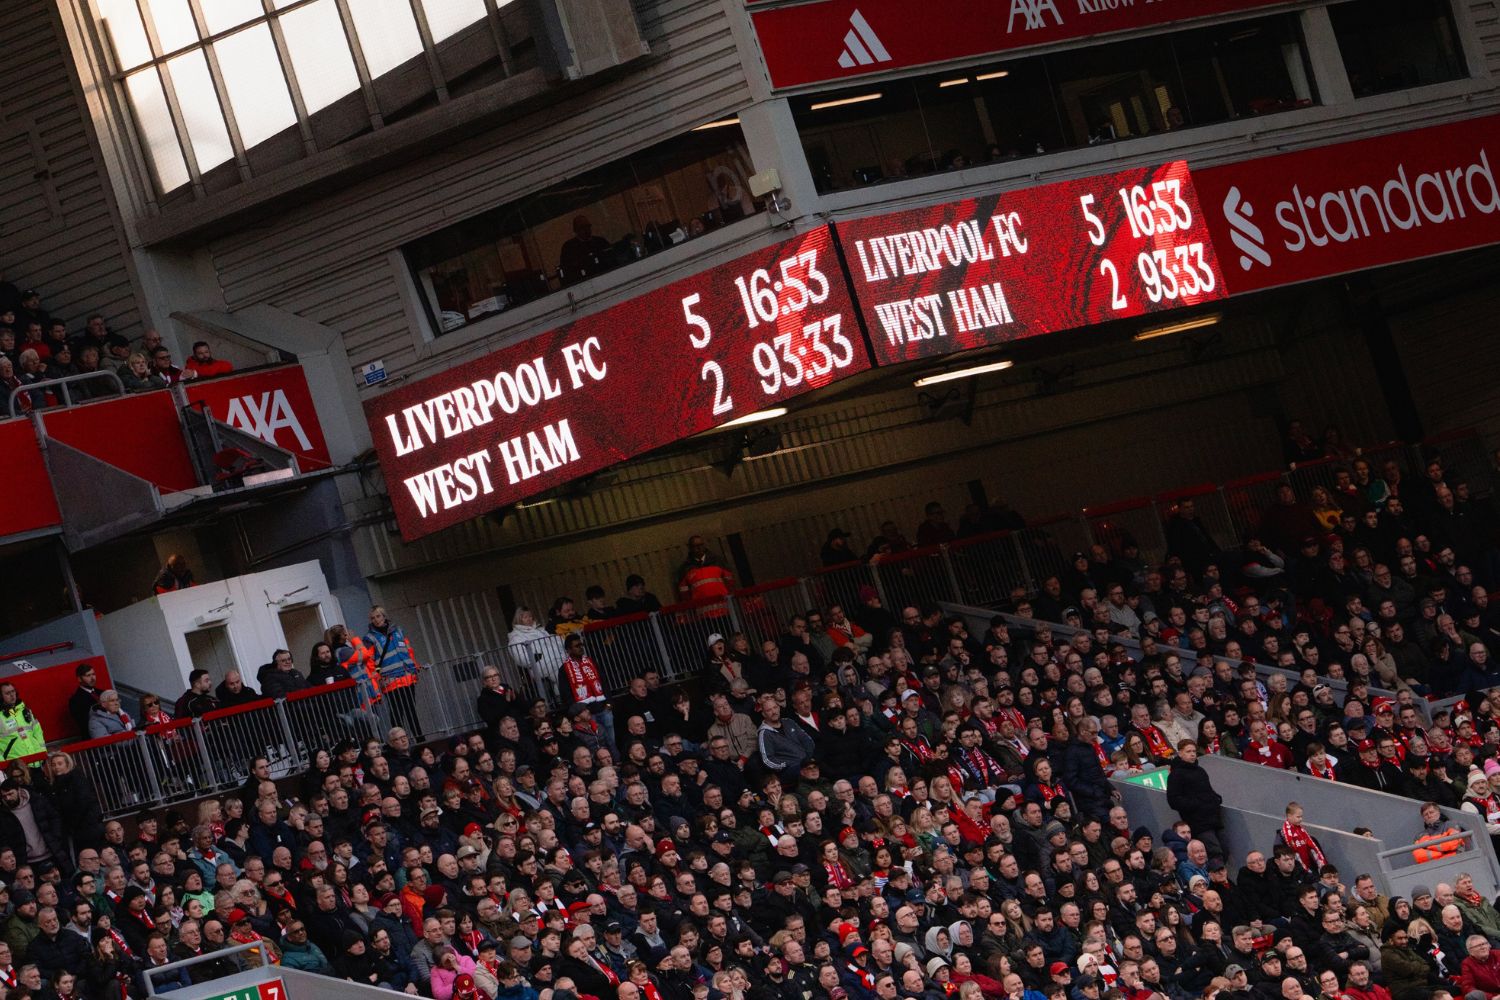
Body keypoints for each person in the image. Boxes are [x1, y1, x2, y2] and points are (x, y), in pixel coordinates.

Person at [365, 606, 423, 739]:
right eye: (373, 618)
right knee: (397, 712)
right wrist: (378, 678)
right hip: (390, 680)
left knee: (411, 710)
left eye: (378, 616)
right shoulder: (370, 638)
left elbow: (408, 650)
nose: (376, 620)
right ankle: (398, 740)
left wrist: (414, 667)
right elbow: (370, 662)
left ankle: (420, 739)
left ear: (384, 616)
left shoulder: (398, 631)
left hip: (407, 676)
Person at [1167, 740, 1225, 859]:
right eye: (1188, 751)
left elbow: (1208, 791)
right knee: (1215, 852)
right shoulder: (1175, 774)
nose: (1192, 754)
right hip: (1198, 822)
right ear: (1180, 753)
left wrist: (1216, 799)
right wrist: (1197, 804)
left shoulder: (1200, 771)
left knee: (1225, 849)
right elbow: (1173, 801)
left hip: (1214, 819)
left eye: (1194, 751)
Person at [0, 684, 44, 764]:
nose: (12, 695)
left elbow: (38, 733)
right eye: (7, 693)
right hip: (16, 766)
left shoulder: (26, 711)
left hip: (37, 760)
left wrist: (42, 753)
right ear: (1, 696)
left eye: (13, 691)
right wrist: (3, 763)